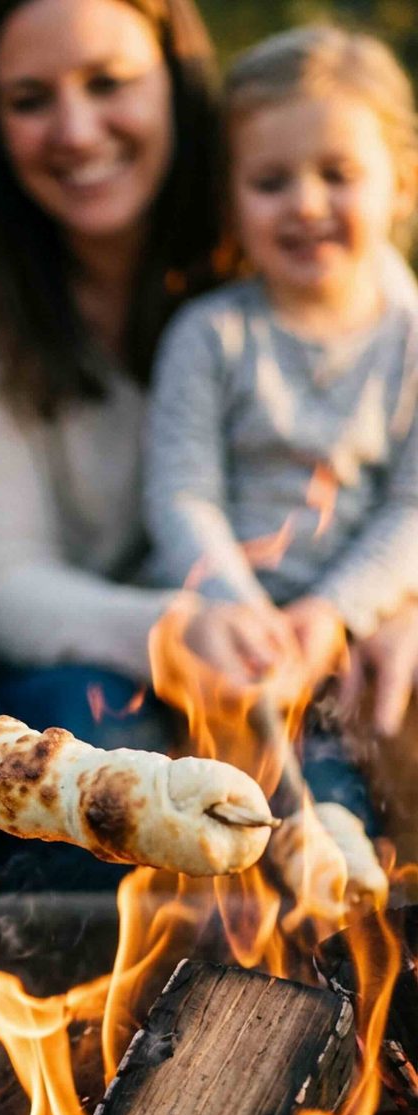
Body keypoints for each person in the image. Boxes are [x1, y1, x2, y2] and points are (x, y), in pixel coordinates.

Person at [0, 0, 222, 883]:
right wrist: (181, 634)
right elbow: (1, 581)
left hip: (272, 655)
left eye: (110, 82)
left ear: (178, 82)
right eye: (30, 99)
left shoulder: (285, 242)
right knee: (99, 750)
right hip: (53, 670)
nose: (75, 131)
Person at [144, 25, 418, 816]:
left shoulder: (409, 341)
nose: (305, 203)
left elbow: (411, 508)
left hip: (360, 636)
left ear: (401, 184)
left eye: (338, 175)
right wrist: (239, 608)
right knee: (288, 813)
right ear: (231, 202)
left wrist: (336, 612)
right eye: (271, 181)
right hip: (231, 646)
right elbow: (181, 492)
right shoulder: (211, 336)